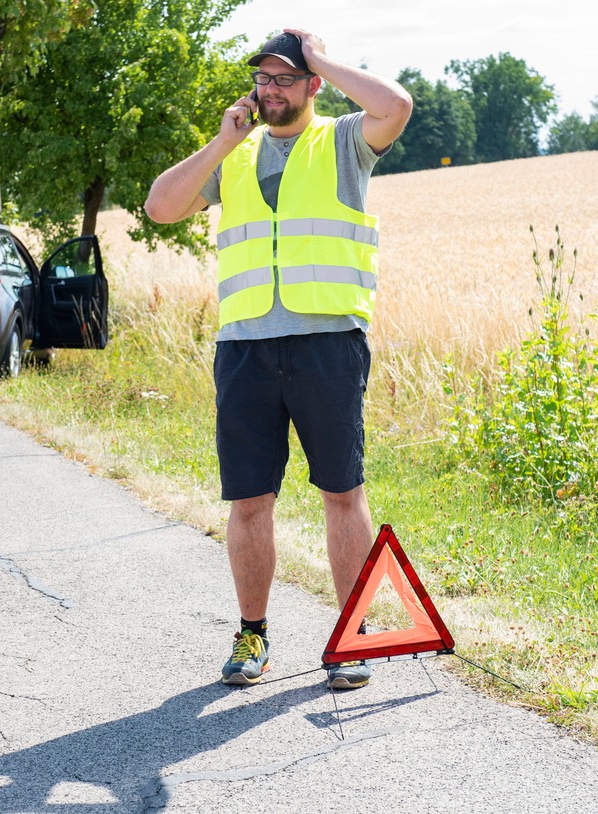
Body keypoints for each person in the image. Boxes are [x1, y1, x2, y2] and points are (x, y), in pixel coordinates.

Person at [144, 29, 412, 690]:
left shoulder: (344, 140)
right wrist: (222, 141)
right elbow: (160, 207)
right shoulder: (235, 155)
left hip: (327, 343)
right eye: (264, 78)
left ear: (312, 85)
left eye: (285, 78)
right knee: (248, 502)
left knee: (341, 494)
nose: (271, 89)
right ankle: (252, 638)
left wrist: (317, 56)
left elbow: (397, 106)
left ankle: (352, 636)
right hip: (244, 351)